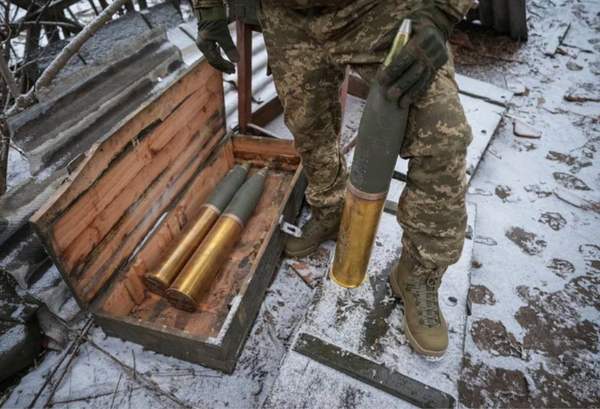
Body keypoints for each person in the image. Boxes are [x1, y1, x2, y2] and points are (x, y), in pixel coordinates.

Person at [193, 0, 473, 358]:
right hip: (286, 15)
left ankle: (418, 274)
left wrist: (442, 12)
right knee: (309, 126)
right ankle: (329, 211)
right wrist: (208, 8)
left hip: (379, 11)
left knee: (442, 137)